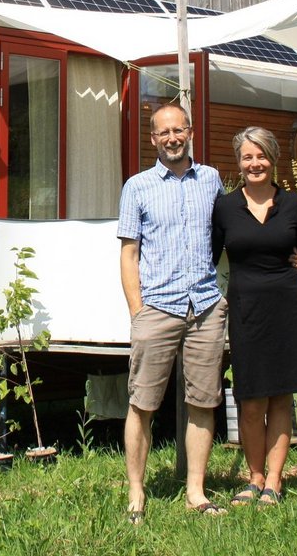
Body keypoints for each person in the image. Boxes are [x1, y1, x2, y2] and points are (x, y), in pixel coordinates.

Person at [117, 103, 228, 521]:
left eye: (178, 130)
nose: (172, 138)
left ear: (190, 132)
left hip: (204, 306)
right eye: (163, 132)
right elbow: (129, 255)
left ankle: (196, 492)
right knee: (142, 403)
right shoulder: (138, 187)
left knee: (203, 401)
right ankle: (136, 494)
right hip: (157, 308)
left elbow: (227, 232)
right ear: (153, 139)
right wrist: (137, 312)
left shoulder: (212, 180)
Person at [212, 126, 297, 507]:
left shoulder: (294, 204)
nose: (255, 163)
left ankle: (274, 482)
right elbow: (208, 261)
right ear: (239, 162)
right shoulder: (225, 207)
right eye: (248, 156)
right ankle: (254, 477)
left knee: (281, 397)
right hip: (247, 312)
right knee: (251, 400)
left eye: (261, 155)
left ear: (273, 158)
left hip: (289, 309)